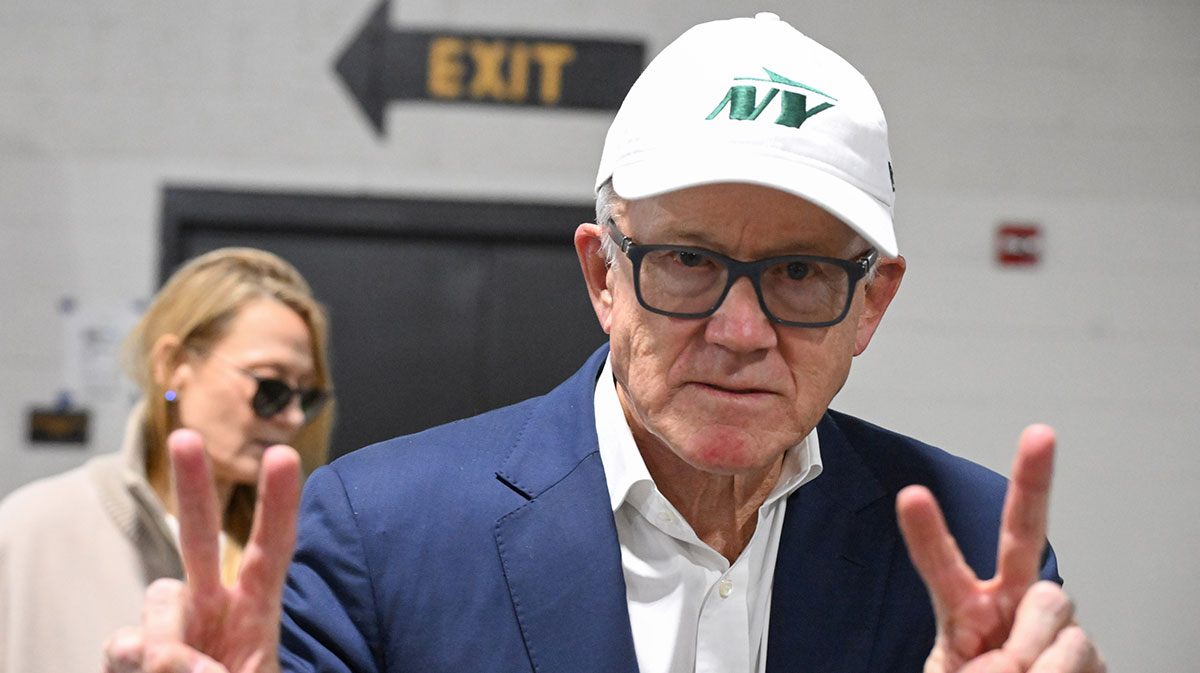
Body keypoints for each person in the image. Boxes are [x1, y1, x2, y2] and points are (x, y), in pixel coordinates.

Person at [103, 13, 1104, 673]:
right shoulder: (381, 534)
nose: (741, 331)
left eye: (801, 272)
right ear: (603, 276)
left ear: (871, 302)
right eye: (687, 262)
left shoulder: (970, 552)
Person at [0, 247, 334, 673]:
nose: (290, 418)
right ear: (174, 365)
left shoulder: (303, 557)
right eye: (270, 387)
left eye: (306, 396)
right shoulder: (33, 530)